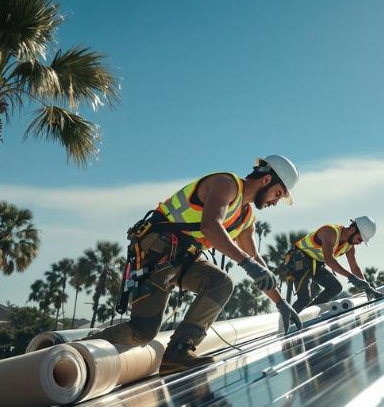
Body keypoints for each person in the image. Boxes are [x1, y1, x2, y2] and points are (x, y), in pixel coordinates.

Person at [90, 155, 304, 376]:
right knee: (142, 331)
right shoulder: (226, 184)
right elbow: (210, 226)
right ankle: (79, 348)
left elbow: (255, 260)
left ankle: (178, 352)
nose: (275, 202)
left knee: (221, 283)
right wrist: (247, 263)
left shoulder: (246, 218)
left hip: (183, 258)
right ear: (266, 180)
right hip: (158, 250)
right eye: (278, 194)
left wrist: (280, 302)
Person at [284, 216, 384, 315]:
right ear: (352, 229)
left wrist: (367, 287)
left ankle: (308, 314)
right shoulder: (330, 232)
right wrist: (351, 277)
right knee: (304, 299)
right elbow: (329, 260)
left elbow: (354, 267)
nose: (359, 243)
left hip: (315, 263)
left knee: (335, 287)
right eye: (360, 239)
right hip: (298, 259)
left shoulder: (349, 246)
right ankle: (287, 322)